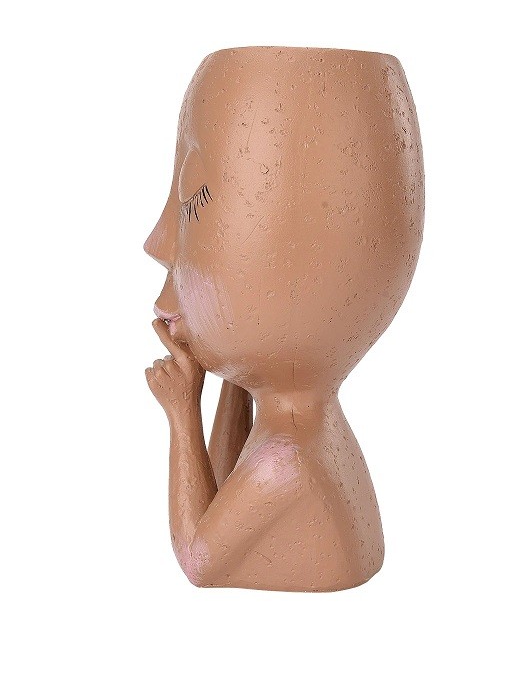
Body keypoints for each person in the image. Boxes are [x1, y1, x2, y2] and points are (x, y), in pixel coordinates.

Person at [144, 46, 424, 591]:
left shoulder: (286, 455)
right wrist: (231, 380)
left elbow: (199, 560)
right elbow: (226, 491)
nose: (158, 243)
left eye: (192, 205)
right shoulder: (292, 426)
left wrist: (182, 413)